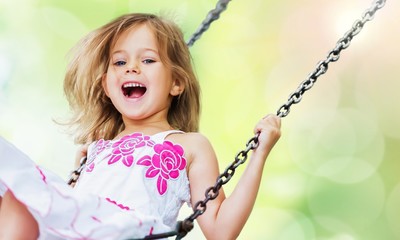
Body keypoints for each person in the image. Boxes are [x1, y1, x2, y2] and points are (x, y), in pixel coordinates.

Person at [0, 13, 281, 240]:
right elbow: (67, 209)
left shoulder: (189, 145)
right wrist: (79, 173)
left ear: (176, 83)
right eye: (120, 62)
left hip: (128, 231)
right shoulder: (97, 149)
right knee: (17, 196)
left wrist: (259, 154)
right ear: (106, 86)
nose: (131, 68)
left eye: (147, 60)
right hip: (81, 230)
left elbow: (221, 231)